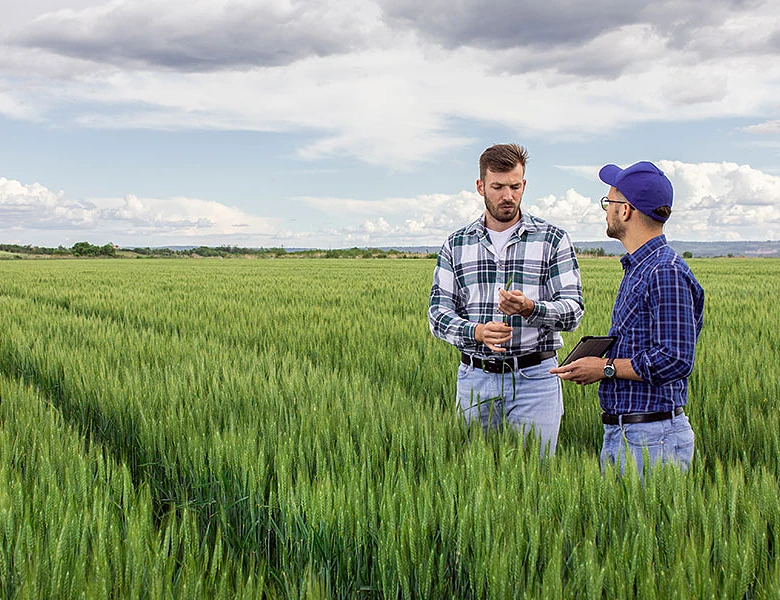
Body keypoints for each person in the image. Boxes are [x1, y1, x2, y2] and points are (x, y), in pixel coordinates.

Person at [428, 143, 584, 455]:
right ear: (480, 186)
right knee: (472, 478)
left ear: (524, 184)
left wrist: (531, 308)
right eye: (497, 187)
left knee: (535, 482)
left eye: (515, 186)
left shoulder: (552, 239)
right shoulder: (456, 244)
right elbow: (438, 313)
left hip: (536, 380)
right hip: (476, 379)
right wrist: (476, 332)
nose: (507, 196)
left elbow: (573, 310)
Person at [551, 161, 704, 474]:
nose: (605, 210)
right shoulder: (642, 268)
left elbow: (675, 359)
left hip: (652, 439)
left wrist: (604, 367)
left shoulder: (664, 272)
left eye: (609, 202)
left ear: (626, 211)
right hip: (632, 435)